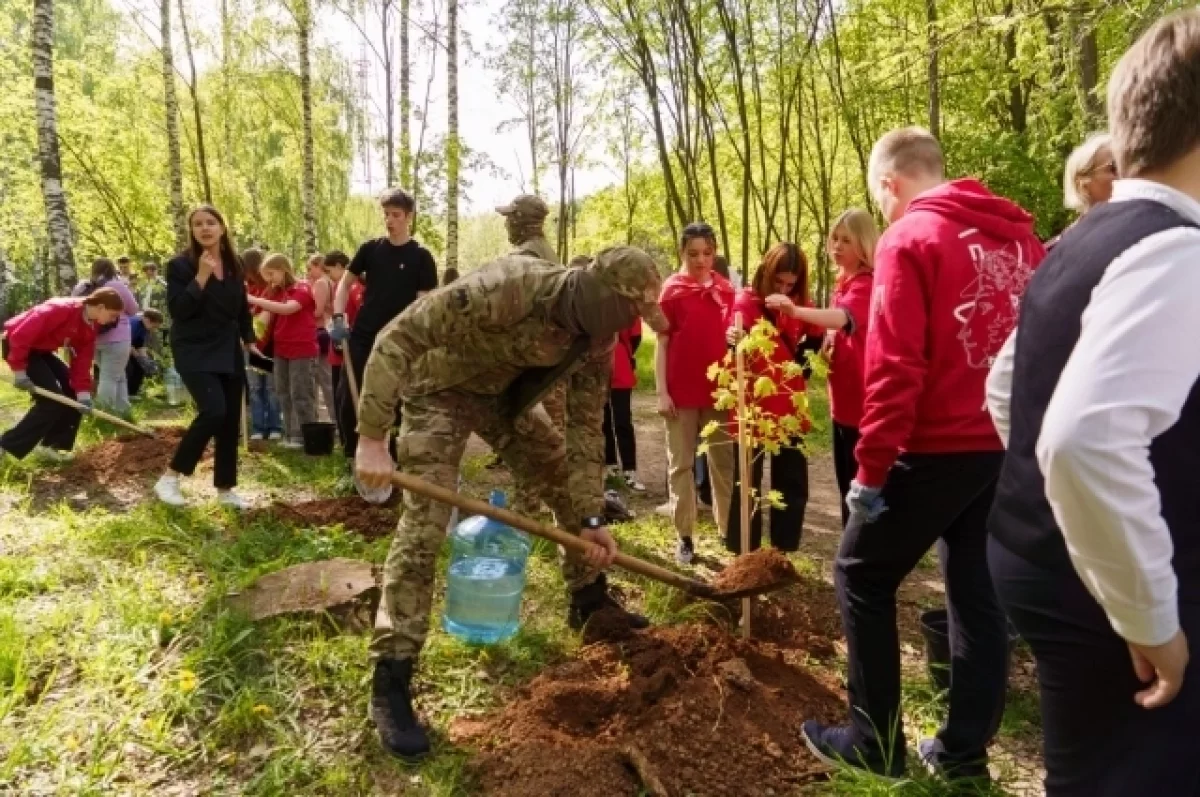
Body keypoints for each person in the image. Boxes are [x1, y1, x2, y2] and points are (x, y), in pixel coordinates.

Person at [986, 11, 1200, 794]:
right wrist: (1147, 613)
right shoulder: (1179, 251)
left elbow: (1008, 391)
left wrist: (1061, 524)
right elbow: (1081, 439)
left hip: (1051, 572)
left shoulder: (1082, 239)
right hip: (1124, 605)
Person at [352, 246, 668, 761]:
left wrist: (589, 518)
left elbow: (587, 431)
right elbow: (398, 337)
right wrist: (371, 436)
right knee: (425, 527)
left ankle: (588, 601)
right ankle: (392, 673)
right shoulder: (509, 287)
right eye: (629, 311)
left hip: (506, 400)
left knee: (564, 482)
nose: (632, 325)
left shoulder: (599, 335)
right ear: (597, 293)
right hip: (440, 390)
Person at [801, 127, 1045, 782]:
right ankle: (964, 754)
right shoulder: (1022, 241)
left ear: (890, 184)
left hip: (934, 444)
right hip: (1002, 443)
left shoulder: (909, 238)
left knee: (860, 572)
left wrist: (871, 469)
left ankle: (873, 741)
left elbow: (896, 367)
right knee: (975, 588)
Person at [768, 209, 879, 523]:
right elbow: (841, 325)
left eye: (847, 240)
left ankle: (861, 550)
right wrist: (830, 339)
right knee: (846, 483)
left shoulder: (866, 283)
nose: (837, 246)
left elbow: (843, 317)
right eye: (835, 239)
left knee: (861, 487)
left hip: (861, 403)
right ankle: (852, 543)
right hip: (841, 401)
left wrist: (795, 310)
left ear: (864, 244)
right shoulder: (844, 283)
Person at [154, 205, 255, 510]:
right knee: (213, 411)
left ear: (222, 228)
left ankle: (225, 489)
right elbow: (179, 310)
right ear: (192, 231)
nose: (204, 228)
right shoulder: (181, 266)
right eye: (198, 224)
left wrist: (249, 340)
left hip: (227, 348)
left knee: (228, 422)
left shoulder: (236, 264)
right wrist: (201, 276)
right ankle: (170, 477)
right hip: (194, 348)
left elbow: (241, 308)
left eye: (210, 222)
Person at [725, 242, 823, 554]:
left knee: (791, 481)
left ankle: (782, 551)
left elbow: (818, 332)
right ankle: (744, 552)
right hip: (753, 405)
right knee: (747, 482)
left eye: (790, 284)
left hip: (789, 403)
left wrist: (800, 372)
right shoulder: (746, 302)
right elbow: (733, 340)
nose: (783, 289)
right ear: (767, 273)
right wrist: (733, 340)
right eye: (778, 281)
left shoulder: (799, 303)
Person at [330, 188, 438, 470]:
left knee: (396, 399)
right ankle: (354, 459)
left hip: (401, 340)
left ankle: (392, 459)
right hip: (364, 334)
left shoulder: (422, 257)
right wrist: (338, 316)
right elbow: (345, 283)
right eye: (386, 214)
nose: (390, 220)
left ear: (409, 217)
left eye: (396, 215)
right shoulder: (371, 249)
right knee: (348, 396)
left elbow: (423, 302)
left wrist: (418, 337)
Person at [656, 222, 735, 565]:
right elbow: (662, 342)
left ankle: (728, 531)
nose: (701, 261)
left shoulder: (728, 291)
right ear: (681, 253)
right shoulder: (671, 291)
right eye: (693, 254)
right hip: (680, 392)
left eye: (707, 253)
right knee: (682, 464)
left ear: (714, 253)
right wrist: (661, 392)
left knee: (722, 464)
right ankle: (685, 535)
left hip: (720, 393)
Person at [0, 290, 124, 462]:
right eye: (112, 315)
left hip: (41, 351)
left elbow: (82, 360)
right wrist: (19, 372)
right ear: (101, 306)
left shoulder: (91, 325)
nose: (113, 320)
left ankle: (53, 446)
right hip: (18, 345)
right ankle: (5, 446)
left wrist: (83, 394)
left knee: (73, 396)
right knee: (51, 401)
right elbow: (21, 336)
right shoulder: (60, 309)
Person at [249, 254, 320, 450]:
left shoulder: (302, 288)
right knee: (283, 392)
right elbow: (258, 314)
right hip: (281, 349)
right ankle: (289, 433)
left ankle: (305, 435)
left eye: (271, 274)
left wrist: (255, 299)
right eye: (266, 276)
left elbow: (288, 309)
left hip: (302, 348)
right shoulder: (274, 291)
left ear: (283, 269)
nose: (269, 280)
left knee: (301, 392)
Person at [71, 257, 140, 416]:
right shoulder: (116, 286)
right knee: (109, 377)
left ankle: (123, 411)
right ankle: (104, 414)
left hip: (93, 337)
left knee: (117, 374)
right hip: (117, 338)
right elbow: (133, 309)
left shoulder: (84, 286)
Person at [1047, 132, 1117, 249]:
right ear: (1083, 183)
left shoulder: (1150, 230)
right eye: (1115, 167)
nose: (1128, 174)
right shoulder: (1058, 251)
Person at [243, 248, 283, 442]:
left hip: (268, 345)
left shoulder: (270, 289)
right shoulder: (246, 288)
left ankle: (275, 425)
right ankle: (259, 426)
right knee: (255, 387)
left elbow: (269, 315)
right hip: (250, 344)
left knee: (271, 387)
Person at [604, 316, 644, 491]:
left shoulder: (627, 304)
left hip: (620, 368)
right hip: (598, 371)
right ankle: (610, 465)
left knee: (623, 421)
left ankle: (629, 469)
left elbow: (636, 337)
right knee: (603, 422)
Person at [306, 252, 336, 422]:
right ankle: (333, 419)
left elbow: (316, 310)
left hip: (319, 331)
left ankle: (331, 419)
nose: (309, 272)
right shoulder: (330, 282)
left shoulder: (320, 283)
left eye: (310, 268)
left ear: (319, 266)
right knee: (326, 379)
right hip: (327, 330)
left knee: (322, 379)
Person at [496, 193, 557, 262]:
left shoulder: (520, 257)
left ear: (518, 221)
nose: (505, 224)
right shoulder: (547, 250)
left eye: (509, 218)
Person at [126, 308, 164, 399]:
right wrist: (139, 358)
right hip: (119, 345)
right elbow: (127, 343)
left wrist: (145, 360)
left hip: (130, 346)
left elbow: (140, 345)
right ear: (147, 320)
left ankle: (132, 393)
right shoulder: (133, 324)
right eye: (154, 326)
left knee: (140, 366)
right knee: (129, 368)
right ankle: (124, 393)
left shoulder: (145, 327)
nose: (154, 329)